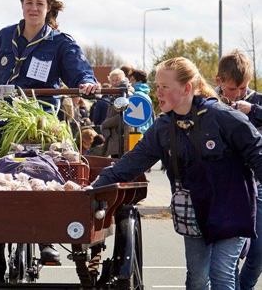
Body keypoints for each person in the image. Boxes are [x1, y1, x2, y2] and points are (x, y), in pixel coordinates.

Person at [92, 57, 262, 290]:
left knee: (221, 275)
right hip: (194, 214)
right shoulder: (162, 128)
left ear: (186, 88)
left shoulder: (223, 117)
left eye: (164, 87)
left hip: (231, 209)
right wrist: (94, 186)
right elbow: (128, 165)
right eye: (157, 86)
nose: (158, 93)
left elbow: (257, 151)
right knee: (197, 279)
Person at [0, 0, 99, 284]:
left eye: (39, 4)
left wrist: (86, 81)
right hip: (3, 121)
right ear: (22, 5)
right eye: (29, 2)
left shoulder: (61, 43)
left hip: (42, 121)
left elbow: (80, 71)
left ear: (48, 9)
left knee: (47, 164)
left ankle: (46, 237)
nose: (34, 8)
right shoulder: (4, 37)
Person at [215, 50, 262, 290]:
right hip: (225, 188)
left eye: (244, 88)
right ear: (219, 81)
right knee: (228, 258)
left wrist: (252, 111)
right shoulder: (211, 103)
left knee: (258, 253)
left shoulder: (256, 101)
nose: (239, 94)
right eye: (233, 89)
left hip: (258, 186)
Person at [101, 69, 131, 157]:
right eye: (112, 80)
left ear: (122, 80)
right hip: (114, 136)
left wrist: (105, 124)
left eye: (117, 80)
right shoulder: (114, 94)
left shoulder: (124, 94)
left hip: (119, 135)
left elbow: (123, 115)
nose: (114, 83)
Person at [129, 69, 154, 133]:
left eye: (132, 80)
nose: (130, 82)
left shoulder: (136, 95)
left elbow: (136, 118)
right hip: (147, 131)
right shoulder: (146, 95)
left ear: (139, 81)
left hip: (138, 132)